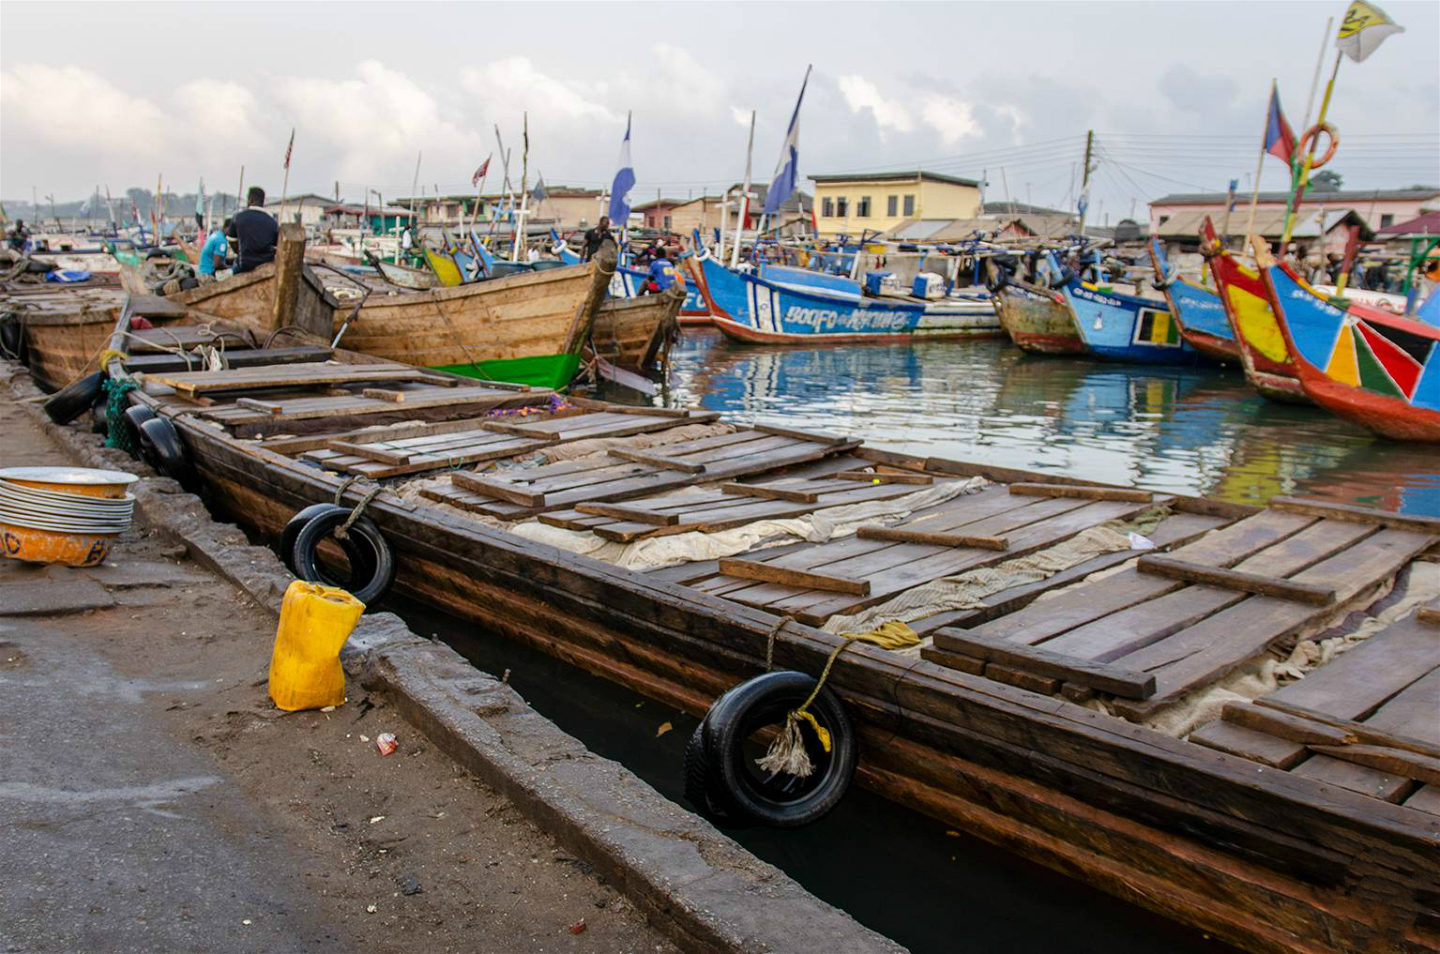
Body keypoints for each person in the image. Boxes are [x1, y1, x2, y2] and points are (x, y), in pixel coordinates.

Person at [229, 187, 278, 274]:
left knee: (233, 270)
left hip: (244, 265)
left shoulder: (238, 217)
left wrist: (239, 252)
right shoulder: (272, 222)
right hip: (266, 266)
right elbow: (276, 246)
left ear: (250, 200)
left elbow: (231, 240)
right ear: (263, 201)